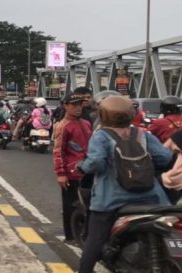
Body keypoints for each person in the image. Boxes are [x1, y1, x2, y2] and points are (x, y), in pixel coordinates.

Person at [77, 96, 173, 273]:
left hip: (111, 200)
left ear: (103, 114)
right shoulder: (142, 134)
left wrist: (82, 166)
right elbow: (165, 158)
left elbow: (96, 162)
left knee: (95, 239)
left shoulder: (101, 136)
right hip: (152, 198)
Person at [52, 93, 92, 242]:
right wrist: (61, 173)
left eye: (80, 104)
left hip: (88, 170)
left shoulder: (86, 123)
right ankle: (70, 236)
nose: (78, 108)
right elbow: (58, 151)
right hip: (72, 172)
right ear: (66, 106)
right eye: (74, 105)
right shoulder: (63, 126)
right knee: (71, 205)